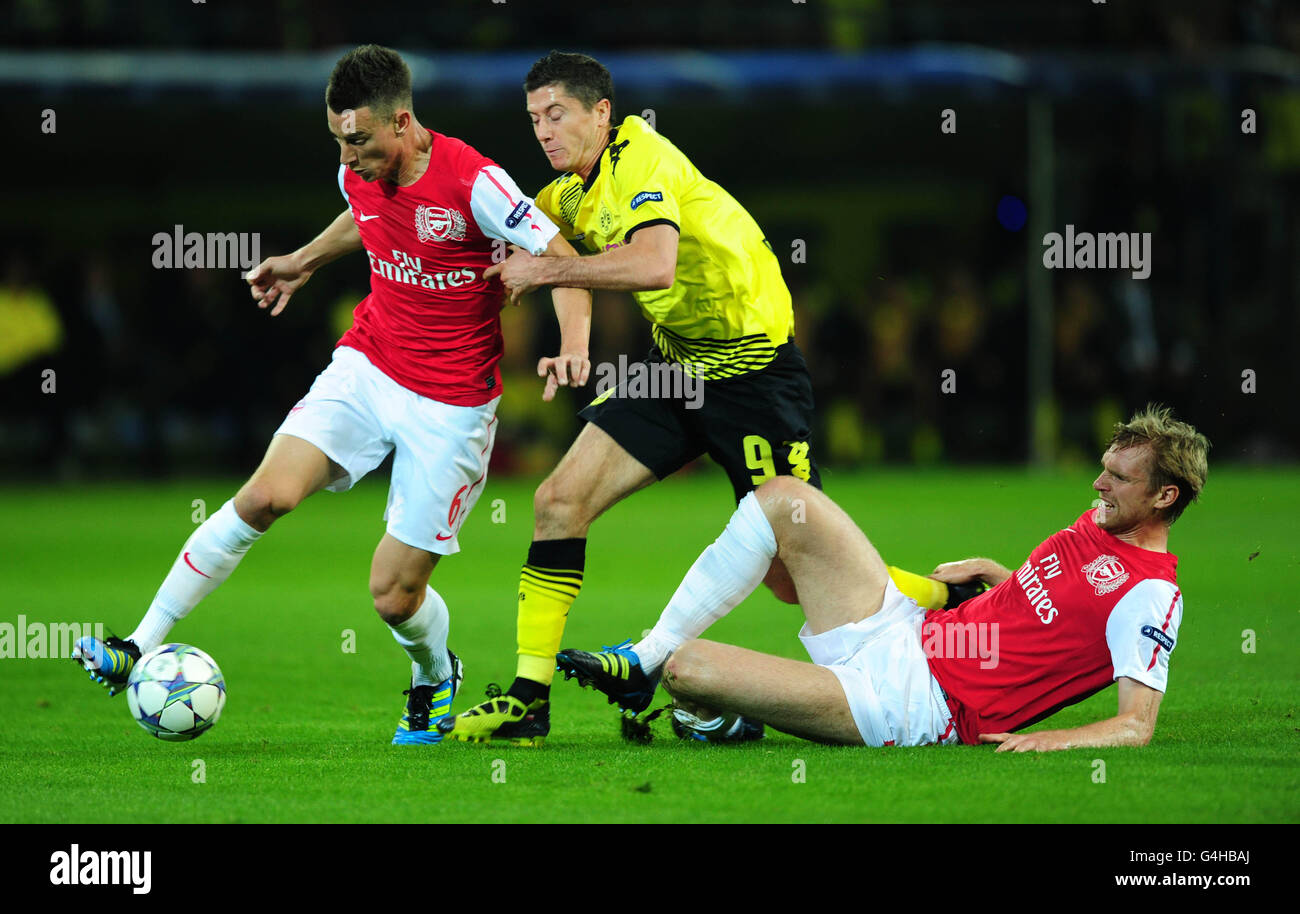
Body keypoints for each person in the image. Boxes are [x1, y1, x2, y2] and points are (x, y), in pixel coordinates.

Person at [72, 44, 592, 745]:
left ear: (402, 122)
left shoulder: (477, 183)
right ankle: (139, 642)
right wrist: (303, 262)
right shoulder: (359, 168)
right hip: (368, 366)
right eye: (338, 141)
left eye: (359, 141)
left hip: (452, 404)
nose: (348, 157)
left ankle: (436, 676)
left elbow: (566, 261)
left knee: (392, 595)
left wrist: (574, 344)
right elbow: (364, 213)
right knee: (264, 497)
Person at [437, 50, 823, 745]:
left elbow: (653, 264)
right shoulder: (565, 194)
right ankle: (528, 701)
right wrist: (576, 341)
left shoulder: (644, 157)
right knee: (558, 501)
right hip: (673, 366)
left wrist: (550, 267)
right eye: (533, 120)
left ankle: (947, 598)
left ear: (602, 113)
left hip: (754, 374)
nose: (544, 132)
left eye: (557, 114)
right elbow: (552, 259)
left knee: (797, 575)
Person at [560, 405, 1207, 750]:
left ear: (1163, 498)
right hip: (909, 628)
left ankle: (714, 713)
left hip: (916, 706)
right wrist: (999, 573)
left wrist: (1053, 742)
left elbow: (1136, 724)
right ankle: (644, 658)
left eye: (1119, 478)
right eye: (1104, 468)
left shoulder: (1151, 593)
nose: (1098, 483)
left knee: (690, 668)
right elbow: (1066, 612)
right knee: (784, 499)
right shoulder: (1102, 522)